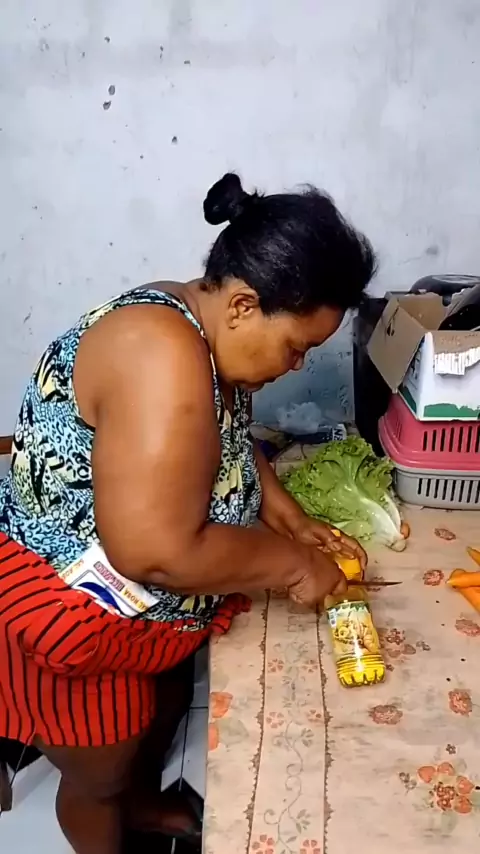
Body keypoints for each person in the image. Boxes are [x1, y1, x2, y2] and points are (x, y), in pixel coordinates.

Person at [0, 173, 375, 854]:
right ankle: (109, 813)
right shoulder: (159, 349)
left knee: (161, 707)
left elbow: (216, 438)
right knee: (100, 773)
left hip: (145, 609)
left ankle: (142, 803)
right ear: (243, 305)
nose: (297, 366)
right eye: (296, 347)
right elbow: (155, 550)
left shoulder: (201, 321)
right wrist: (294, 564)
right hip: (74, 608)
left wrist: (286, 515)